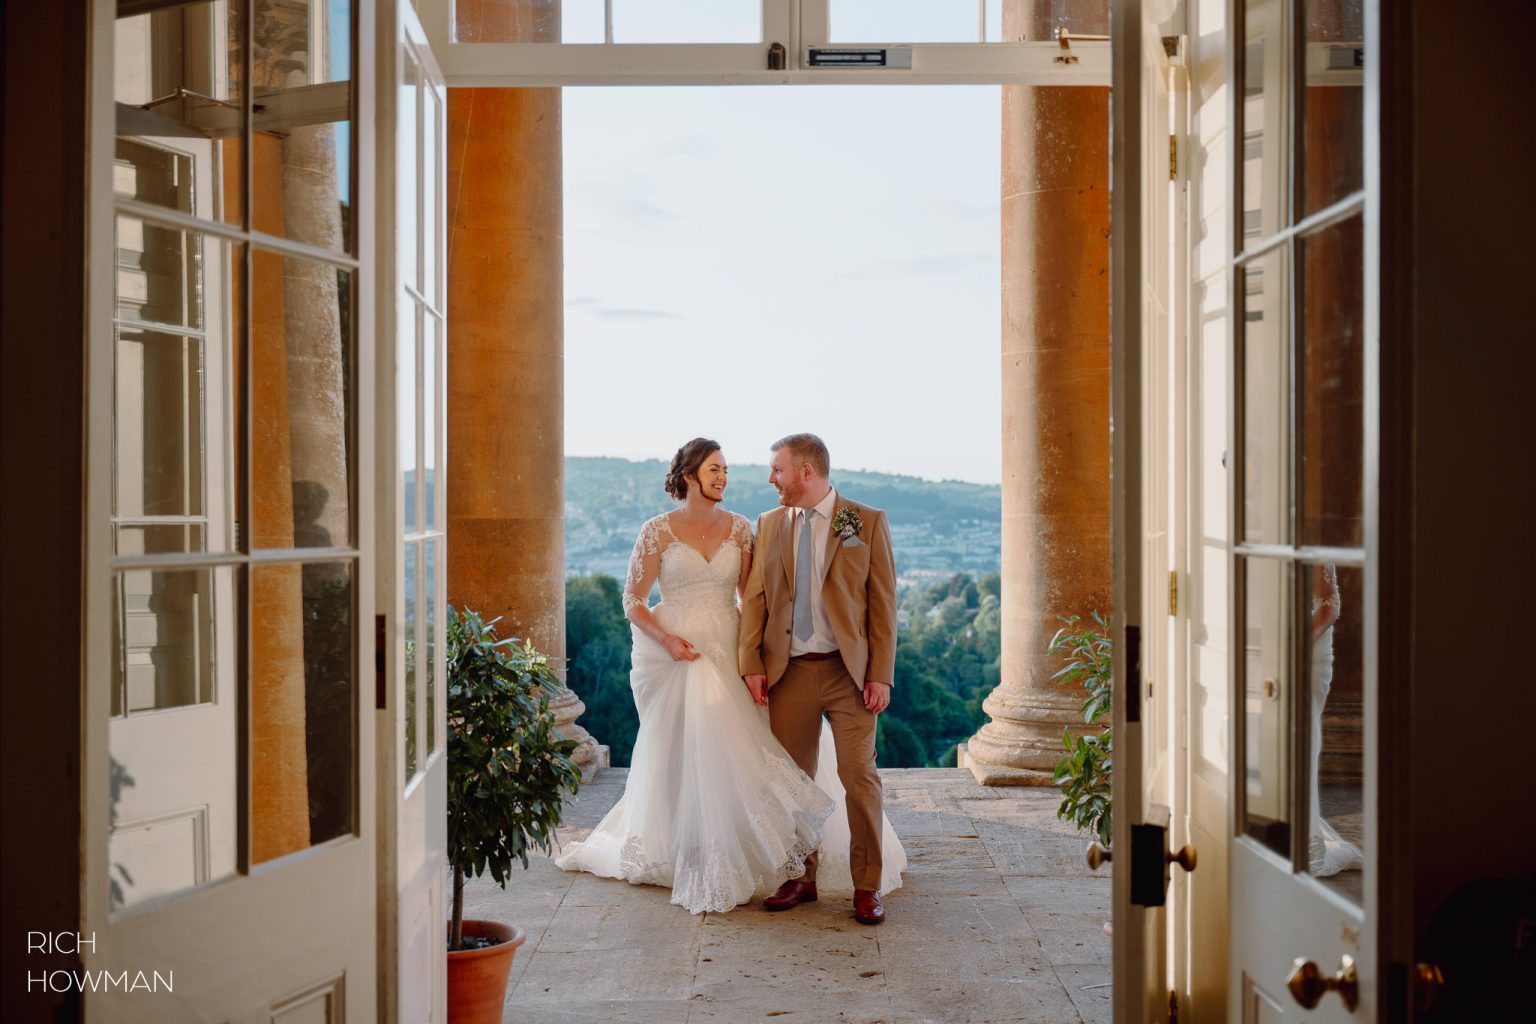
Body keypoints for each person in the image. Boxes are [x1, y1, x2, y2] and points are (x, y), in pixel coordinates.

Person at [555, 438, 834, 914]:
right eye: (714, 469)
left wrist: (762, 656)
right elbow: (634, 601)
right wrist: (667, 641)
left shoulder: (742, 528)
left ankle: (765, 851)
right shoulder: (656, 531)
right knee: (685, 750)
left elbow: (751, 599)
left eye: (725, 469)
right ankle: (693, 850)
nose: (723, 477)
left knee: (745, 745)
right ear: (689, 476)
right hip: (677, 653)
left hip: (728, 647)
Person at [739, 433, 905, 925]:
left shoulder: (865, 522)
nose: (772, 479)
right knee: (792, 782)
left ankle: (867, 886)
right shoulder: (768, 524)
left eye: (778, 470)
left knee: (860, 778)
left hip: (848, 674)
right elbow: (755, 599)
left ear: (806, 472)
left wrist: (880, 674)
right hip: (787, 673)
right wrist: (751, 662)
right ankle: (800, 876)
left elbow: (884, 605)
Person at [1307, 563, 1363, 877]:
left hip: (1308, 652)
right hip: (1265, 650)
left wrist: (1291, 644)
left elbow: (1330, 605)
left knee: (1301, 744)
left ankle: (1309, 846)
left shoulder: (1312, 539)